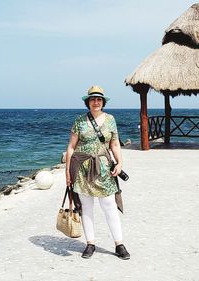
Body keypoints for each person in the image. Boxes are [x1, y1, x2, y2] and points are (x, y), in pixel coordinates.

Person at [65, 85, 130, 260]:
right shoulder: (79, 121)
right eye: (93, 99)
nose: (96, 102)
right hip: (82, 168)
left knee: (109, 205)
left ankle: (119, 244)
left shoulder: (110, 120)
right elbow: (71, 148)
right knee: (86, 208)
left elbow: (115, 144)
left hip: (104, 168)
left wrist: (120, 163)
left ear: (103, 102)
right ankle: (90, 243)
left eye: (99, 99)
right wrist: (67, 173)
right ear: (88, 102)